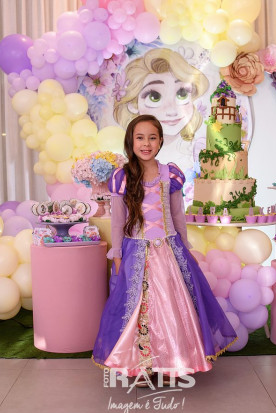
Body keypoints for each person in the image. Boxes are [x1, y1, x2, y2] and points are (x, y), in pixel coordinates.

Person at [92, 114, 237, 387]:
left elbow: (178, 215)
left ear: (160, 141)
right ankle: (142, 364)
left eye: (152, 138)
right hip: (136, 251)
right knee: (139, 309)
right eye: (140, 138)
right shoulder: (122, 177)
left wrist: (185, 246)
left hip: (170, 250)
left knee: (172, 308)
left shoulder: (170, 174)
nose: (146, 143)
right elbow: (118, 221)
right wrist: (118, 254)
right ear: (131, 141)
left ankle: (172, 361)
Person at [113, 48, 209, 173]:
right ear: (133, 104)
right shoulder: (127, 156)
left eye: (182, 93)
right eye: (154, 97)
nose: (172, 110)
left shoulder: (198, 150)